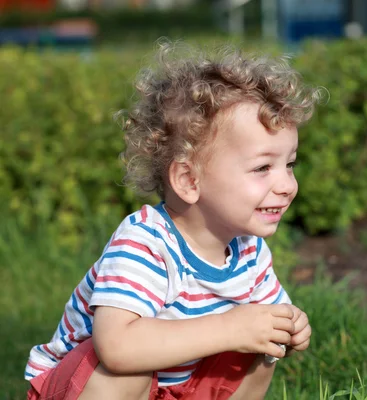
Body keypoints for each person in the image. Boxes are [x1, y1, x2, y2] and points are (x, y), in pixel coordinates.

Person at [24, 41, 321, 400]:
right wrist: (229, 328)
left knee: (259, 351)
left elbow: (264, 322)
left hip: (174, 386)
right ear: (188, 180)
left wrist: (286, 327)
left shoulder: (250, 251)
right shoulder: (145, 242)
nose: (287, 185)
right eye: (262, 168)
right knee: (127, 371)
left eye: (289, 164)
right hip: (85, 387)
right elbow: (116, 347)